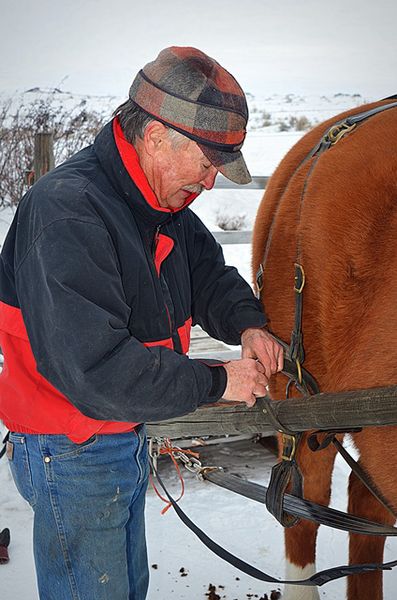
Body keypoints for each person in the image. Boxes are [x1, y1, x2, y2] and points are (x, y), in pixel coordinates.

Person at [0, 46, 282, 599]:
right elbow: (96, 372)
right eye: (206, 165)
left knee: (125, 589)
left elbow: (205, 273)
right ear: (155, 138)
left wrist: (247, 323)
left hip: (122, 432)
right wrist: (218, 381)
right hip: (72, 445)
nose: (210, 185)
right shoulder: (69, 213)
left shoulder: (157, 203)